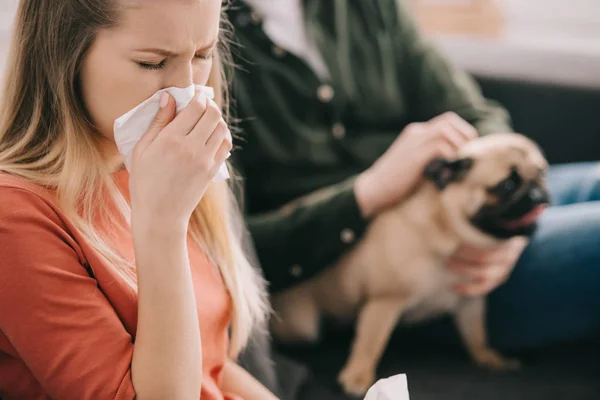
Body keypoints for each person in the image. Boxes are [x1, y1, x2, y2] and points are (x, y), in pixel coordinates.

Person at [226, 0, 600, 397]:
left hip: (478, 220)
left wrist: (504, 216)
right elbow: (229, 245)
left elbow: (475, 113)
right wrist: (364, 194)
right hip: (426, 275)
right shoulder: (203, 35)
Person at [0, 0, 280, 399]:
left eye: (202, 54)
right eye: (152, 63)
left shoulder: (160, 166)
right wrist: (162, 225)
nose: (185, 89)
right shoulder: (14, 218)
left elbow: (210, 366)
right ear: (65, 54)